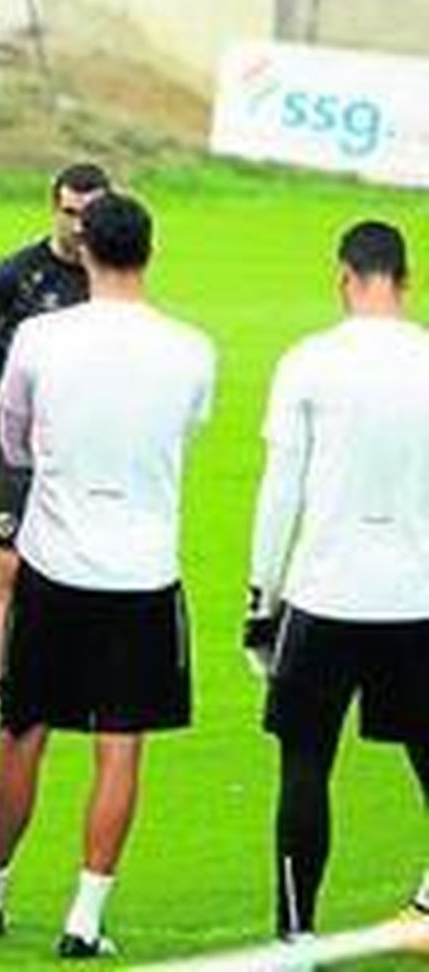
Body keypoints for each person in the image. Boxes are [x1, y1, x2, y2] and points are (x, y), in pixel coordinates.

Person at [0, 193, 215, 959]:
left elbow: (14, 444)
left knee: (22, 734)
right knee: (119, 745)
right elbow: (186, 432)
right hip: (143, 571)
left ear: (84, 249)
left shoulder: (39, 337)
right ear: (149, 253)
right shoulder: (192, 348)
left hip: (55, 563)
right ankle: (85, 918)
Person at [243, 220, 429, 946]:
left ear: (343, 277)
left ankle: (296, 935)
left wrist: (262, 600)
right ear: (404, 281)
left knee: (305, 767)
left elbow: (279, 491)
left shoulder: (309, 362)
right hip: (416, 596)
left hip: (325, 597)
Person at [0, 162, 109, 734]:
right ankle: (0, 691)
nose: (77, 226)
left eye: (89, 215)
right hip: (17, 445)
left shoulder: (108, 285)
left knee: (82, 563)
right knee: (9, 566)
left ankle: (73, 684)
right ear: (53, 208)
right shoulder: (12, 277)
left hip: (86, 447)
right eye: (69, 212)